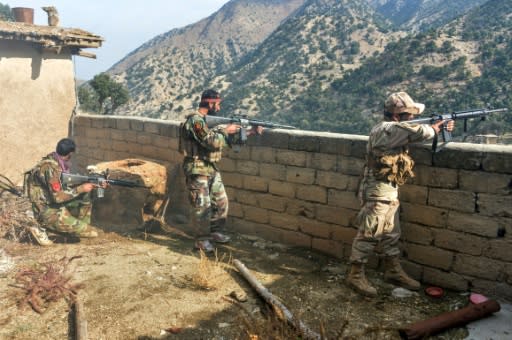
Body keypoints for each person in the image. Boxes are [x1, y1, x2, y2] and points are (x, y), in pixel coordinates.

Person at [347, 92, 455, 297]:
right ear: (397, 116)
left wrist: (438, 128)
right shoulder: (386, 129)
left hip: (389, 190)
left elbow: (414, 134)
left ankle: (393, 271)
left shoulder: (397, 131)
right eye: (410, 115)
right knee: (369, 233)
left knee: (391, 233)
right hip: (377, 192)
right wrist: (435, 128)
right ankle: (355, 274)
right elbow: (419, 133)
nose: (413, 118)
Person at [179, 89, 262, 253]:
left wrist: (250, 131)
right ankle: (201, 241)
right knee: (202, 207)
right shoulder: (195, 121)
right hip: (197, 168)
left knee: (221, 201)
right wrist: (226, 130)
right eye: (217, 103)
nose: (219, 106)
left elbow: (225, 141)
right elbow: (211, 141)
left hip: (211, 168)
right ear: (210, 103)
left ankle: (215, 232)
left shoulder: (209, 121)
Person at [25, 138, 105, 246]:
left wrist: (92, 185)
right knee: (93, 233)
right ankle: (40, 226)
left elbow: (62, 187)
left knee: (86, 194)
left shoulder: (53, 160)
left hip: (51, 204)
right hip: (45, 210)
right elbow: (58, 197)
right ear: (70, 153)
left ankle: (78, 226)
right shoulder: (50, 168)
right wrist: (81, 188)